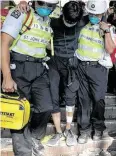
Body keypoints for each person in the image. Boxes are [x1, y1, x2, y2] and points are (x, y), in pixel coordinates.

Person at [17, 0, 87, 147]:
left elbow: (98, 14)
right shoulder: (52, 22)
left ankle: (68, 130)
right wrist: (22, 3)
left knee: (70, 97)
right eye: (67, 20)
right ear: (62, 14)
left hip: (71, 65)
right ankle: (58, 132)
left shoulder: (81, 21)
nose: (70, 23)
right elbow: (36, 13)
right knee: (53, 96)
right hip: (54, 62)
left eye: (73, 22)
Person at [1, 0, 58, 155]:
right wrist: (7, 76)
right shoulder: (20, 13)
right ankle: (23, 152)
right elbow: (4, 43)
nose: (46, 8)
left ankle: (33, 137)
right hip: (19, 67)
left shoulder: (48, 21)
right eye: (42, 3)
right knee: (19, 112)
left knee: (46, 107)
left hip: (39, 69)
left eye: (50, 6)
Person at [75, 1, 116, 144]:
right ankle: (84, 130)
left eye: (96, 14)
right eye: (91, 13)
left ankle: (98, 129)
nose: (93, 16)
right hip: (81, 67)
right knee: (83, 100)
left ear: (103, 13)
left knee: (98, 100)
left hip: (98, 68)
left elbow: (110, 49)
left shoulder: (109, 29)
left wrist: (105, 31)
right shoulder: (81, 24)